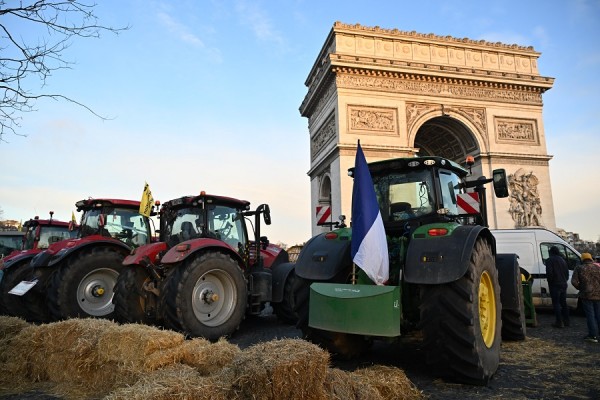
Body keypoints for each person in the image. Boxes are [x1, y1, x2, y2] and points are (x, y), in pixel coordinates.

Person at [571, 253, 600, 343]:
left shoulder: (579, 268)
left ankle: (593, 335)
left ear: (582, 259)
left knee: (590, 316)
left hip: (586, 295)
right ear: (591, 259)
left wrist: (581, 288)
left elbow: (574, 282)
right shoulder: (598, 268)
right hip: (598, 295)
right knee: (598, 315)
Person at [545, 245, 570, 328]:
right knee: (563, 303)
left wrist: (550, 282)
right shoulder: (563, 260)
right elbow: (567, 274)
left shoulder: (549, 260)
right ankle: (567, 321)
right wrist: (564, 280)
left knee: (556, 304)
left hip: (555, 285)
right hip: (563, 283)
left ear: (551, 252)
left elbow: (549, 273)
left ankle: (559, 322)